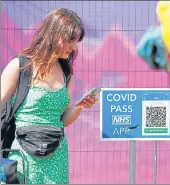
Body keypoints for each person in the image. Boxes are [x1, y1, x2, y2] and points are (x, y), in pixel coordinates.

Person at [1, 8, 98, 184]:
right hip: (21, 156)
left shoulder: (67, 72)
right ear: (53, 34)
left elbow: (62, 120)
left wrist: (80, 106)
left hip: (56, 156)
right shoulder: (19, 67)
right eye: (70, 40)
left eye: (76, 42)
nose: (74, 47)